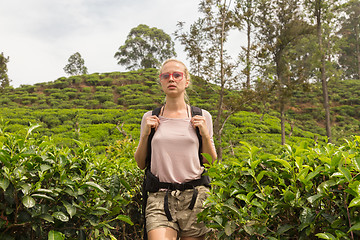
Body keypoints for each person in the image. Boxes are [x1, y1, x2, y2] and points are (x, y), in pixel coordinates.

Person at [134, 59, 217, 240]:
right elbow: (141, 163)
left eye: (177, 75)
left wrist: (204, 134)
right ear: (161, 81)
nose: (171, 79)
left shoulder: (202, 116)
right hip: (159, 198)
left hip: (195, 198)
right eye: (166, 76)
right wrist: (145, 135)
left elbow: (210, 162)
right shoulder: (149, 117)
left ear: (186, 81)